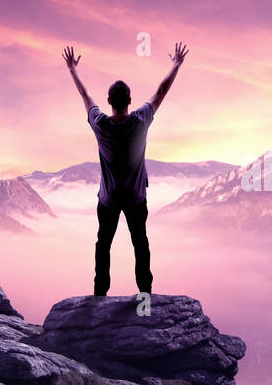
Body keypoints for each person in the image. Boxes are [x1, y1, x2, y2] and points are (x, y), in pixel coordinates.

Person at [62, 42, 188, 296]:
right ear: (130, 101)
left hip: (108, 198)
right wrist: (176, 64)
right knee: (140, 244)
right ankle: (145, 295)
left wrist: (73, 70)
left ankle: (100, 296)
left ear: (109, 101)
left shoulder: (100, 124)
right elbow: (161, 91)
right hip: (135, 197)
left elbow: (85, 95)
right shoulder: (140, 120)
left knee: (103, 245)